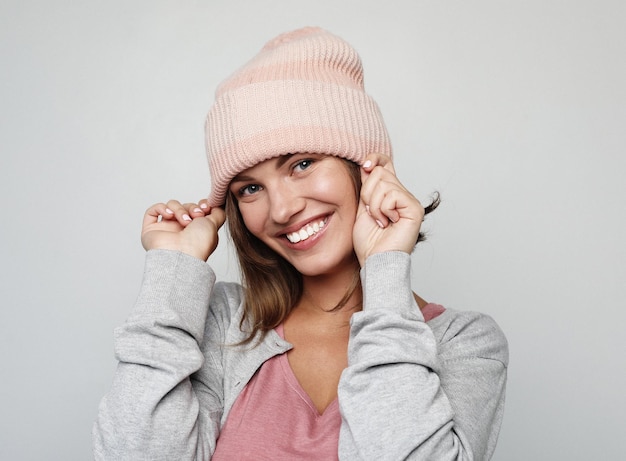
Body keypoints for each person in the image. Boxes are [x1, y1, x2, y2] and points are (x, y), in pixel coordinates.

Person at [93, 26, 508, 460]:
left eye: (302, 164)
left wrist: (385, 270)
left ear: (366, 167)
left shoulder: (464, 342)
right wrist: (172, 272)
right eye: (249, 189)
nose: (282, 209)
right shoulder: (225, 324)